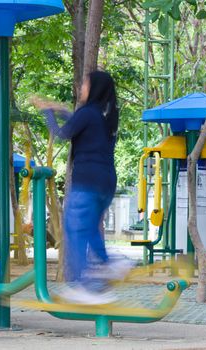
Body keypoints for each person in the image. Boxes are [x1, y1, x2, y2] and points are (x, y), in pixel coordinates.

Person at [31, 71, 131, 304]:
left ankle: (83, 285)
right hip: (105, 183)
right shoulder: (106, 118)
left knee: (74, 230)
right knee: (89, 229)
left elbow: (63, 133)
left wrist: (47, 112)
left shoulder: (87, 114)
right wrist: (61, 108)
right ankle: (111, 264)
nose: (81, 87)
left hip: (87, 180)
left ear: (94, 87)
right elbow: (79, 120)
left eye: (85, 83)